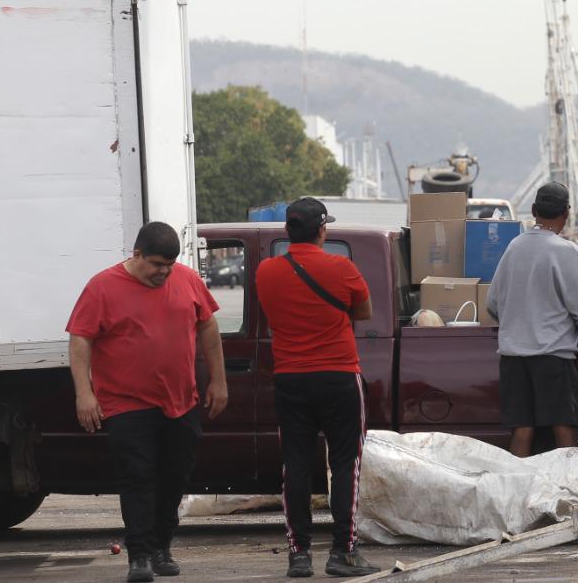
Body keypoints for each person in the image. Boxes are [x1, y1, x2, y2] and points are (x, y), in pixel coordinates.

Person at [66, 222, 227, 583]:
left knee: (174, 477)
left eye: (169, 264)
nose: (164, 272)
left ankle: (161, 546)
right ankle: (139, 556)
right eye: (156, 264)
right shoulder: (103, 286)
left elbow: (208, 328)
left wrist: (219, 381)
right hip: (126, 404)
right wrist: (84, 392)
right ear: (136, 255)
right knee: (138, 478)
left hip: (181, 401)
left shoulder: (186, 280)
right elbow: (81, 339)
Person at [254, 198, 375, 579]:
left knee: (296, 466)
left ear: (287, 231)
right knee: (345, 464)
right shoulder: (342, 268)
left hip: (290, 377)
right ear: (322, 230)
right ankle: (343, 551)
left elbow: (271, 313)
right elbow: (364, 311)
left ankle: (299, 553)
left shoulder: (266, 271)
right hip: (339, 375)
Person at [486, 182, 578, 458]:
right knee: (563, 427)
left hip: (513, 357)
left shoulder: (514, 247)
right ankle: (571, 492)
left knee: (522, 430)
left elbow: (492, 304)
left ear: (534, 211)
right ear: (566, 213)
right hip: (552, 356)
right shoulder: (566, 251)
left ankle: (518, 496)